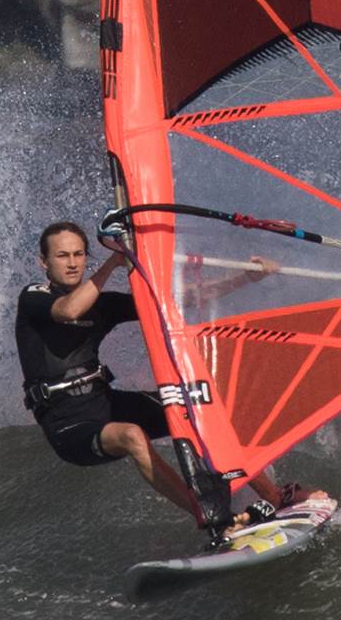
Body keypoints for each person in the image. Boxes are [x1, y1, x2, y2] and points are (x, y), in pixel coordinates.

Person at [16, 220, 308, 541]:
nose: (72, 263)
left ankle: (275, 497)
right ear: (44, 262)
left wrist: (246, 277)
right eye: (62, 256)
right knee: (132, 435)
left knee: (199, 409)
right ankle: (214, 520)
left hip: (103, 403)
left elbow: (183, 299)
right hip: (68, 424)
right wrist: (114, 262)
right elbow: (69, 311)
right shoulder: (34, 297)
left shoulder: (103, 304)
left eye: (78, 254)